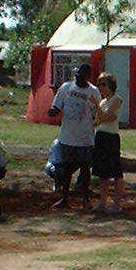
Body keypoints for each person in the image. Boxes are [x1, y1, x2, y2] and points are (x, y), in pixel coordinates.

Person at [47, 62, 100, 210]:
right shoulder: (66, 88)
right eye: (76, 76)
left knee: (84, 170)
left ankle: (85, 200)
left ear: (88, 77)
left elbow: (97, 113)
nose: (78, 79)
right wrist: (53, 112)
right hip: (67, 137)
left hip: (85, 138)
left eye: (81, 76)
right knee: (65, 170)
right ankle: (65, 199)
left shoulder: (94, 92)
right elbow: (56, 107)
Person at [92, 72, 124, 214]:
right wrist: (101, 115)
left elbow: (105, 117)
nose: (101, 87)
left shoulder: (116, 100)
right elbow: (100, 120)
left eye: (103, 84)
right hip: (100, 136)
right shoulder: (102, 102)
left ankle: (117, 204)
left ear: (111, 85)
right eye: (99, 85)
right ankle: (102, 202)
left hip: (111, 138)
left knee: (116, 172)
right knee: (102, 173)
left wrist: (97, 108)